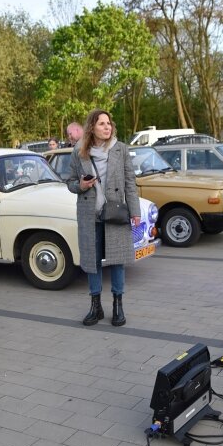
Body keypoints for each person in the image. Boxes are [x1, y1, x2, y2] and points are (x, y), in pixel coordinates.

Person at [66, 109, 140, 327]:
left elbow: (130, 183)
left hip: (116, 213)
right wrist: (80, 185)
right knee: (92, 261)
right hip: (90, 215)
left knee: (117, 261)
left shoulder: (121, 149)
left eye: (109, 123)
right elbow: (69, 182)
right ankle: (95, 306)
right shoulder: (79, 151)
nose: (107, 127)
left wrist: (135, 213)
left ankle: (118, 305)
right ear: (92, 127)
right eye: (102, 124)